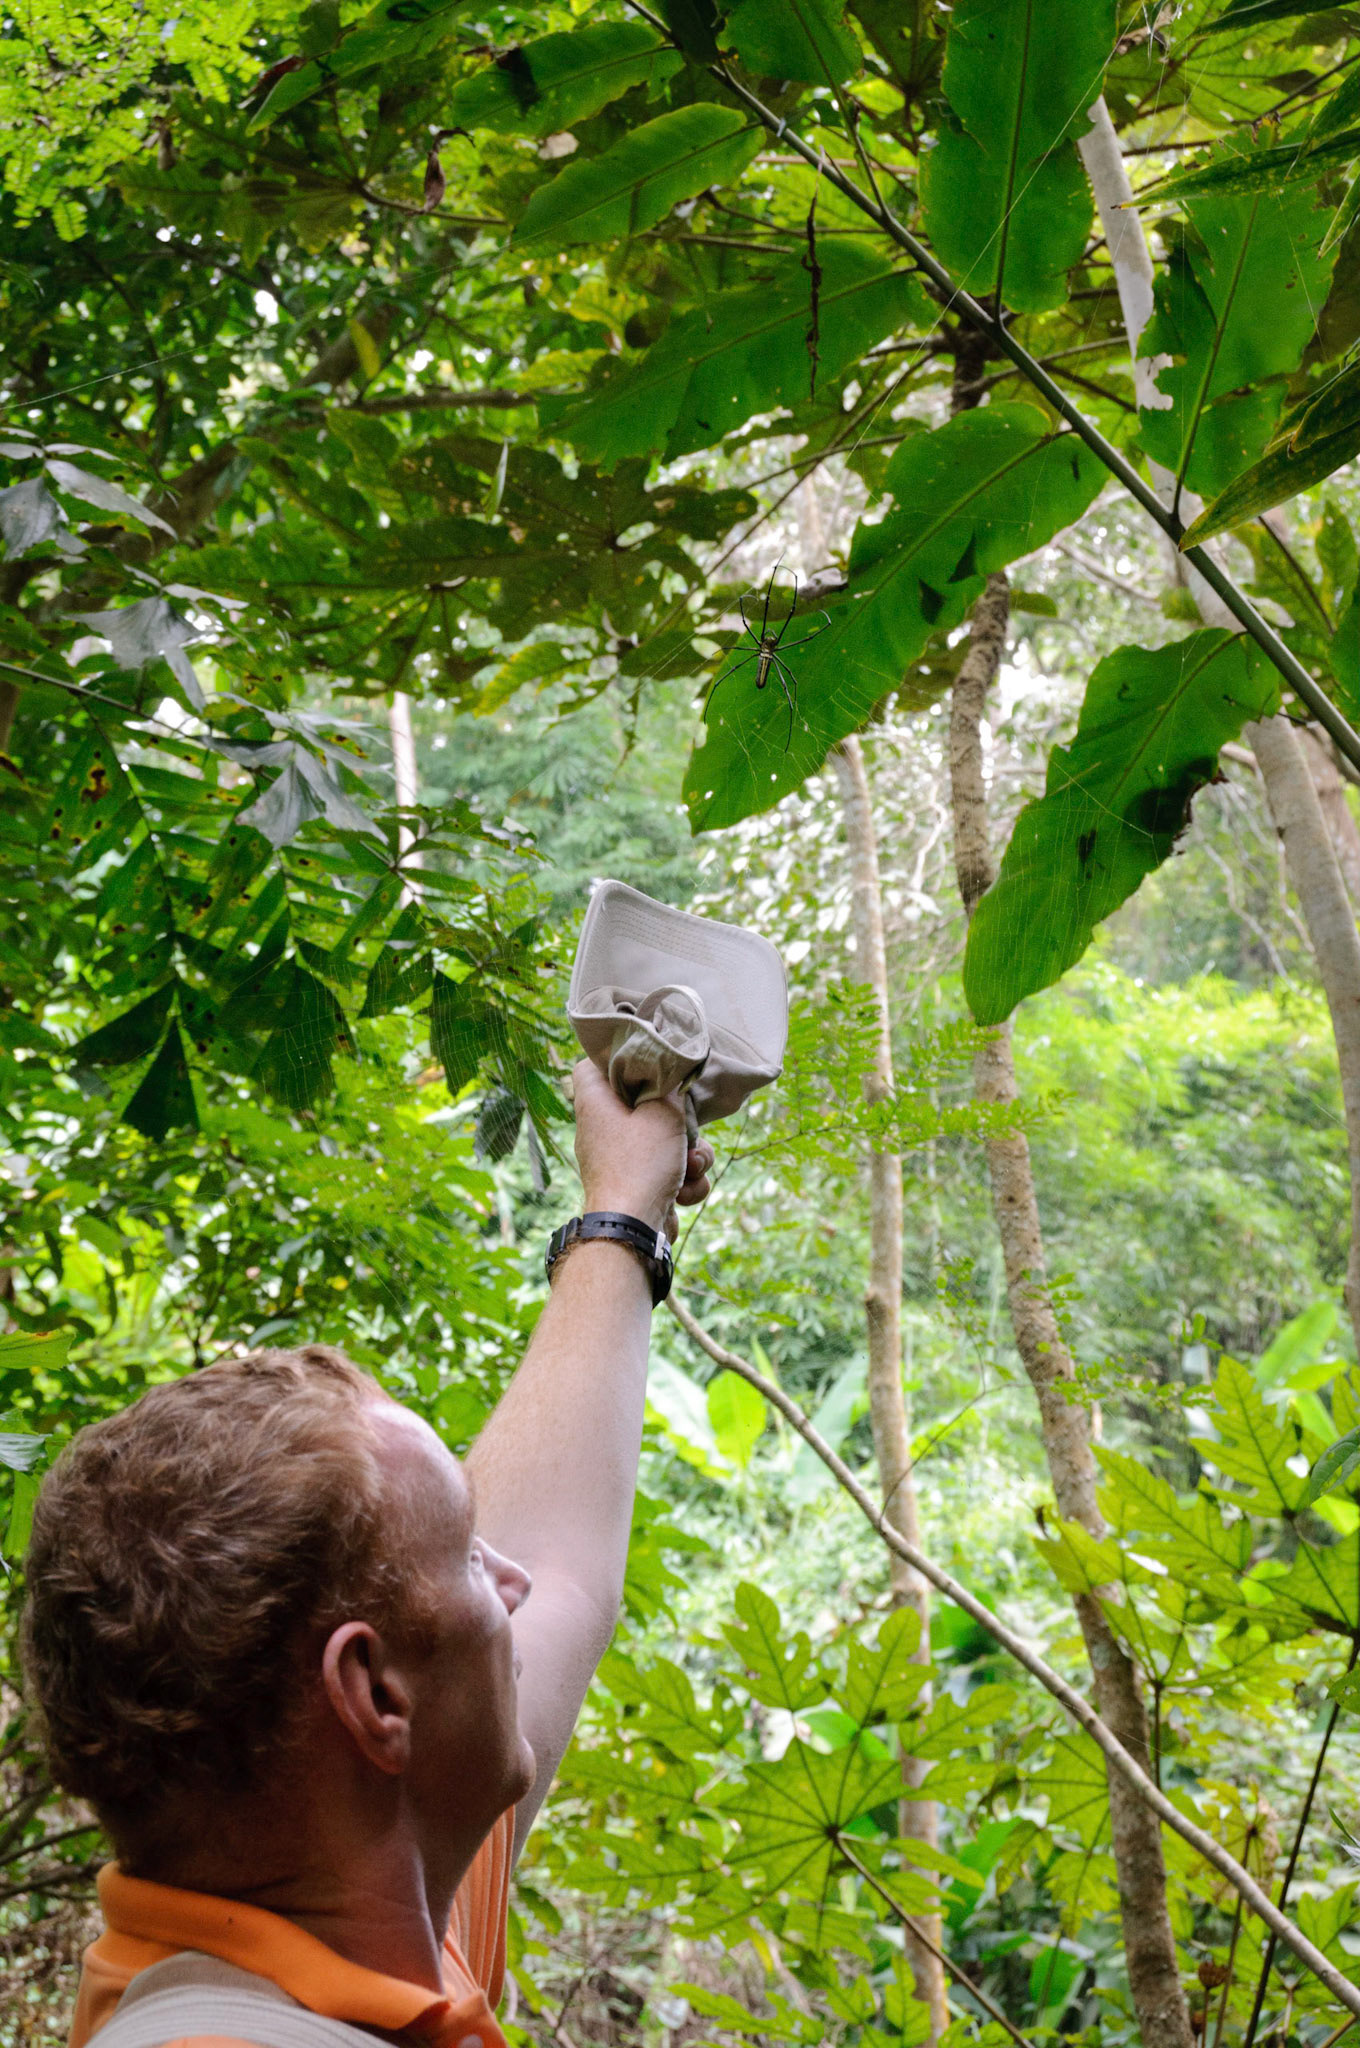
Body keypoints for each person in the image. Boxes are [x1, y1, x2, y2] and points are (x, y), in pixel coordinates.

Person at [22, 1060, 714, 2048]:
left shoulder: (372, 1897)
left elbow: (557, 1559)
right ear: (374, 1694)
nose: (510, 1580)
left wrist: (621, 1207)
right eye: (471, 1560)